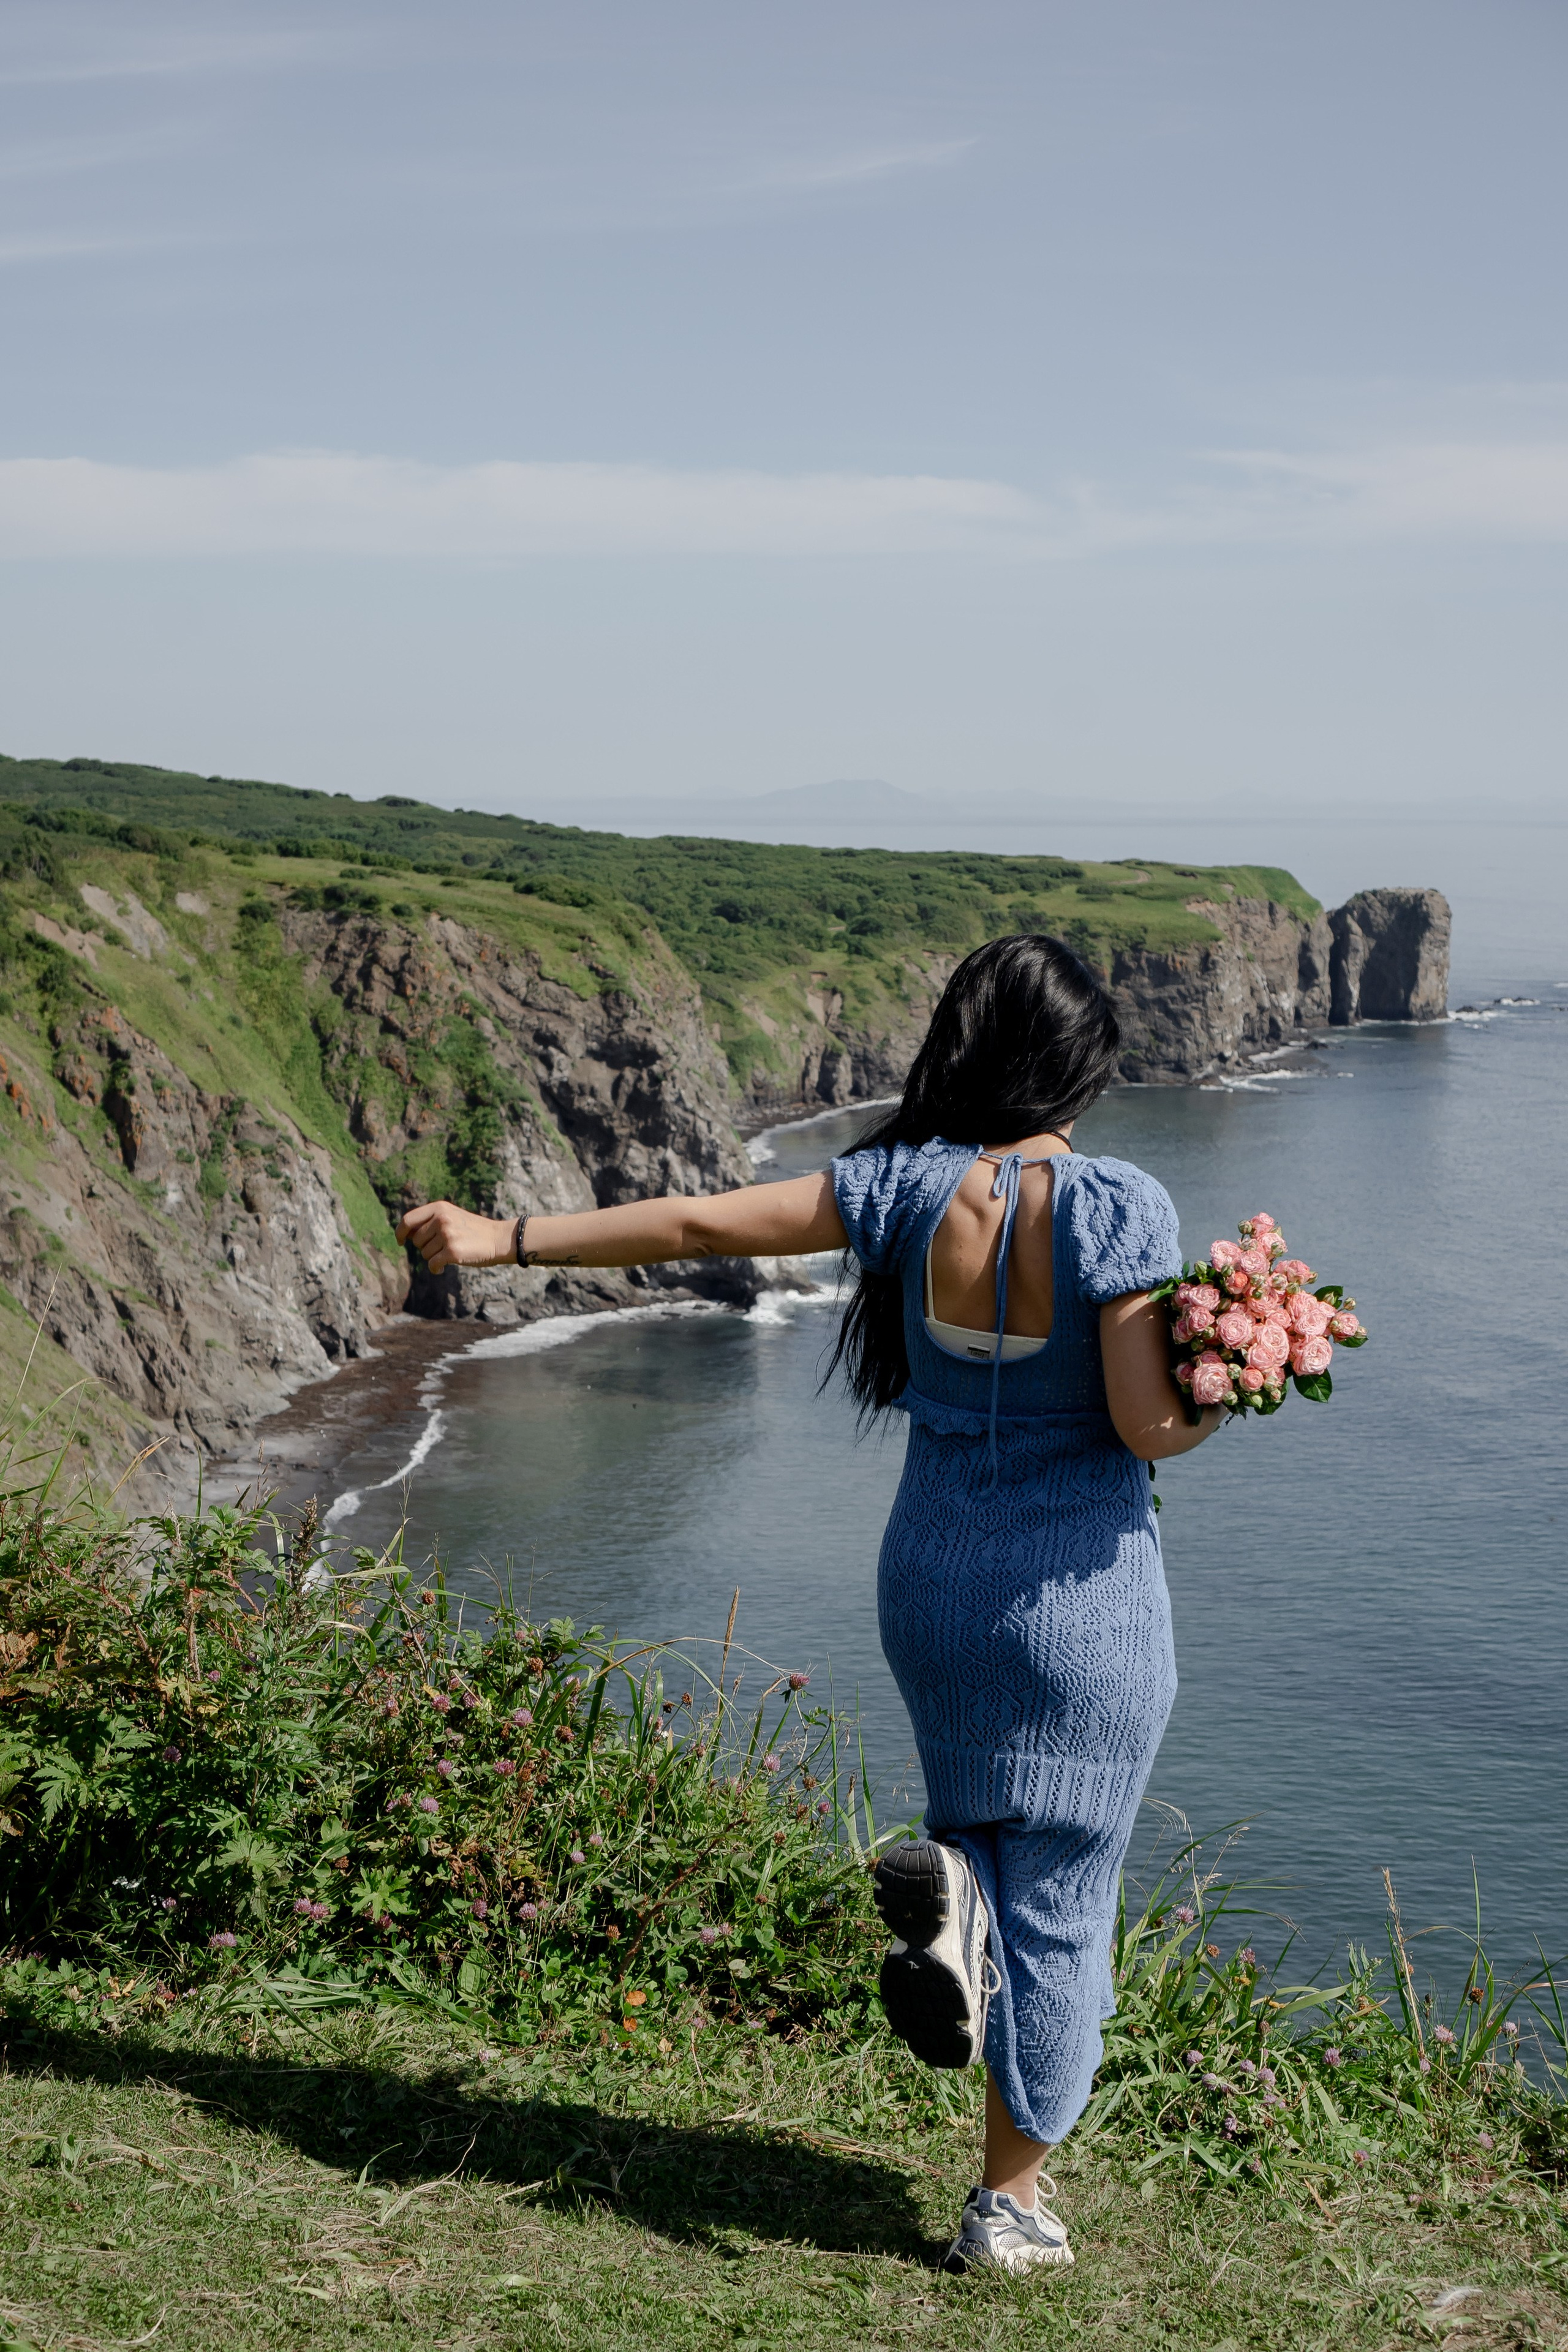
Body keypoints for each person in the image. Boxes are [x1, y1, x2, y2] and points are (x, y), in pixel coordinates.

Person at [397, 933, 1222, 2278]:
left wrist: (504, 1239)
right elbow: (1143, 1423)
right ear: (1083, 1064)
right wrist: (1225, 1383)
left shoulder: (899, 1188)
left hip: (933, 1584)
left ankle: (958, 1894)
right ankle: (1007, 2206)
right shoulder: (1119, 1205)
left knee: (991, 1837)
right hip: (1081, 1605)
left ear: (962, 1046)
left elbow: (696, 1222)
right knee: (1066, 1891)